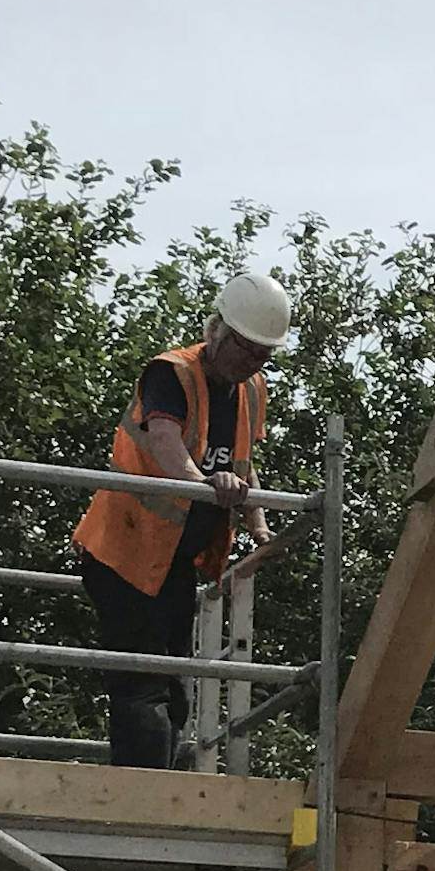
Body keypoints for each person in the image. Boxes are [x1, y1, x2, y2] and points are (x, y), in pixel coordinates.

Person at [71, 271, 293, 769]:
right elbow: (164, 443)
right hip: (124, 552)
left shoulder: (250, 389)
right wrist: (205, 483)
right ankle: (143, 796)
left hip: (172, 560)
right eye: (246, 349)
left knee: (174, 688)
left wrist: (258, 526)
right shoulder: (171, 373)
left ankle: (156, 787)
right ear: (218, 332)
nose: (252, 362)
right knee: (142, 685)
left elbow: (241, 463)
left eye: (263, 355)